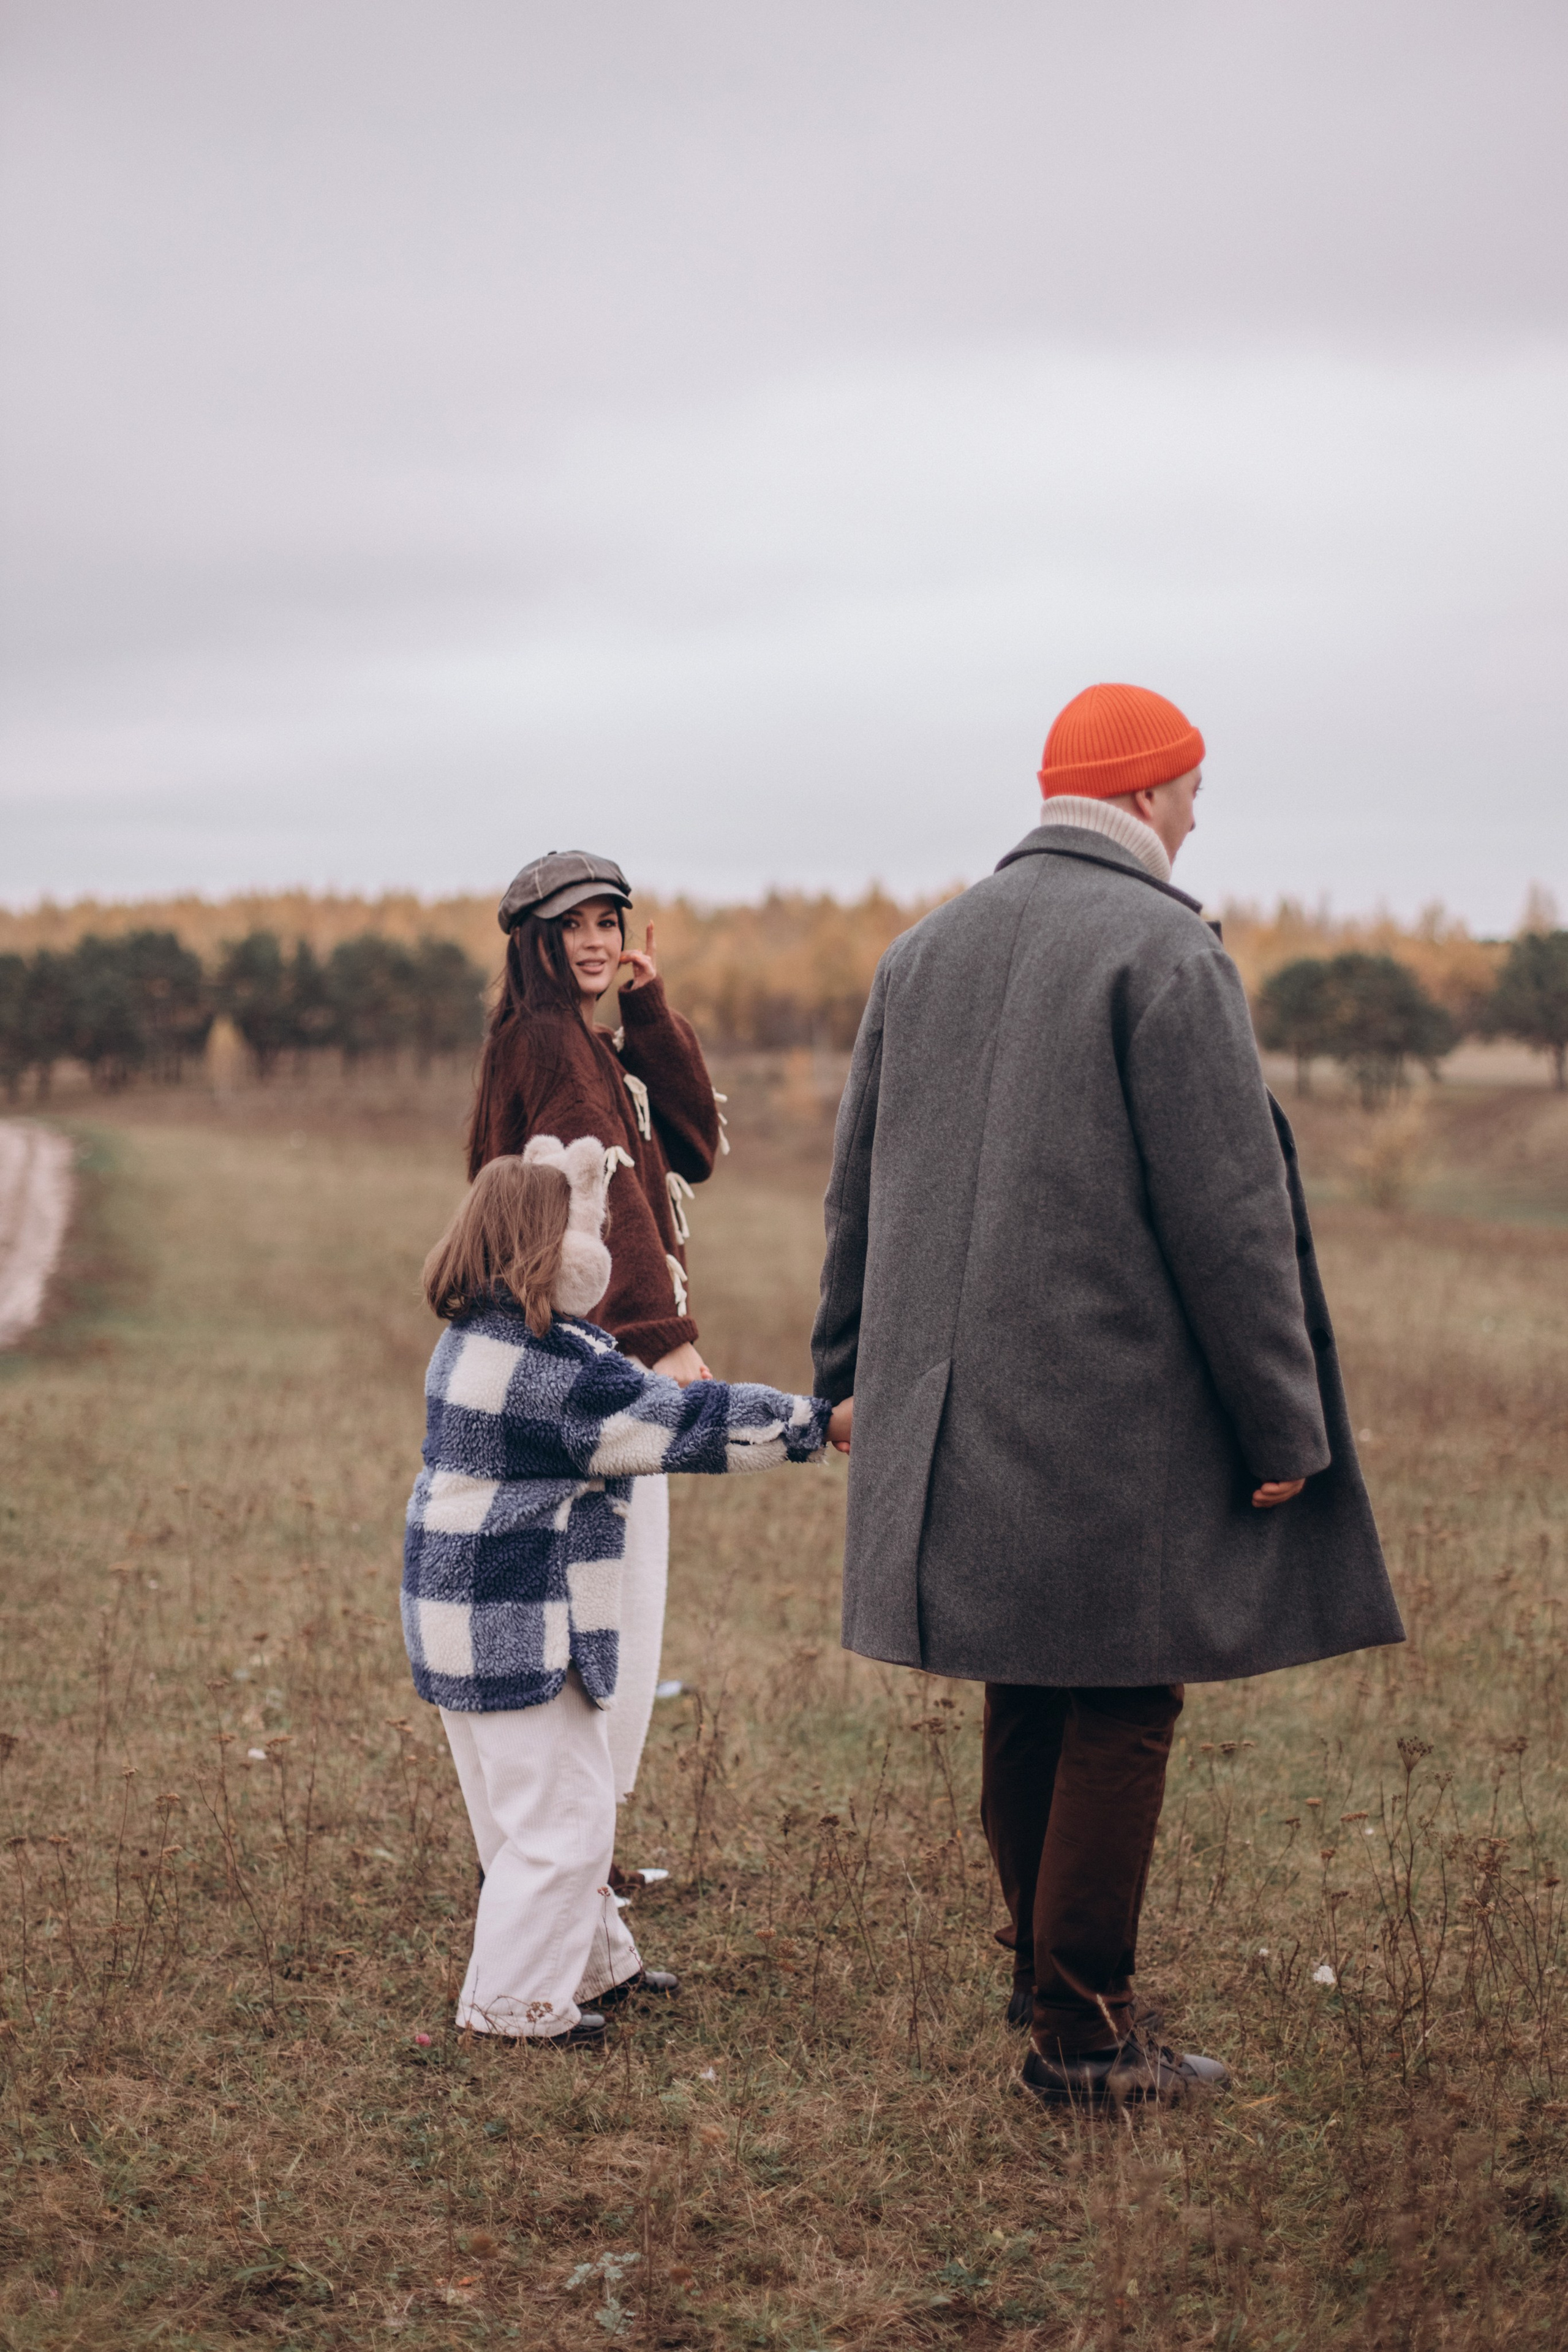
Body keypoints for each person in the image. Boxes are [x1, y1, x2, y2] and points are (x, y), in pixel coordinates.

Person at [812, 682, 1404, 2109]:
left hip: (961, 1409)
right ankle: (1081, 2034)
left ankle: (1042, 1981)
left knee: (1029, 1685)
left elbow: (856, 1194)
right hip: (1109, 1410)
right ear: (1144, 796)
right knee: (1124, 1697)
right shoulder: (1159, 948)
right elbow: (1227, 1217)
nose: (1197, 820)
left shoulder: (922, 952)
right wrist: (1282, 1425)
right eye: (1191, 795)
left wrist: (846, 1377)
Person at [405, 1138, 848, 2044]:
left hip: (458, 1618)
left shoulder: (472, 1341)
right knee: (562, 1822)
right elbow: (686, 1420)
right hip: (518, 1626)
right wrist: (817, 1423)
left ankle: (595, 1961)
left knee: (529, 1809)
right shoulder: (553, 1373)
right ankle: (515, 2007)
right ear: (552, 1254)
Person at [467, 850, 723, 1835]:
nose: (594, 942)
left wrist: (650, 1017)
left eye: (608, 923)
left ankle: (575, 1870)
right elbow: (604, 1188)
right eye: (572, 926)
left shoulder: (587, 1045)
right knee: (607, 1606)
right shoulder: (547, 1046)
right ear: (535, 942)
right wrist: (662, 1337)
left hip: (580, 1349)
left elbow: (691, 1144)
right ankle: (568, 1863)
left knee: (598, 1604)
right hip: (587, 1358)